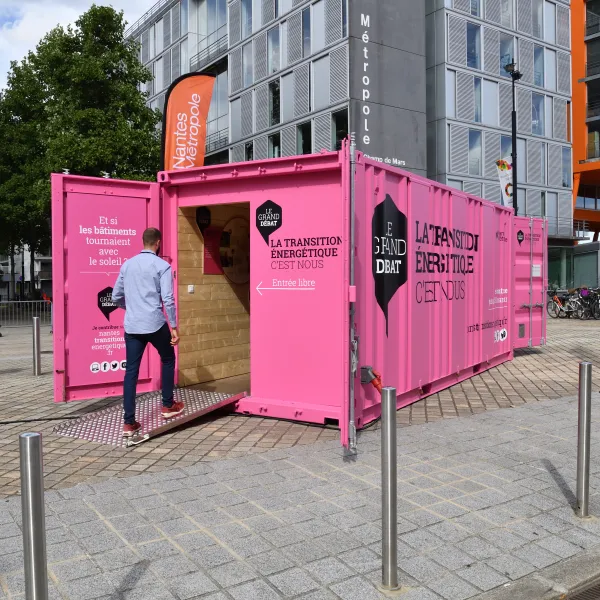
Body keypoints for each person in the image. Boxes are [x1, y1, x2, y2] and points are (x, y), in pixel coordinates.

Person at [112, 227, 183, 437]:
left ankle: (129, 423)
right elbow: (168, 300)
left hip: (132, 325)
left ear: (143, 241)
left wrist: (132, 307)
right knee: (168, 358)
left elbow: (116, 296)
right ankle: (168, 406)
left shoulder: (127, 265)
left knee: (131, 372)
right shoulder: (162, 266)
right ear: (158, 243)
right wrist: (174, 327)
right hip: (154, 323)